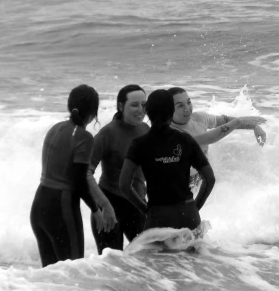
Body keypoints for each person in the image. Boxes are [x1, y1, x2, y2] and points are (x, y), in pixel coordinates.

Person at [119, 89, 215, 232]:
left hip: (159, 217)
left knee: (156, 255)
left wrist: (145, 209)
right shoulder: (185, 140)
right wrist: (195, 207)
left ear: (147, 112)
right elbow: (209, 179)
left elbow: (124, 185)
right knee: (191, 255)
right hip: (188, 214)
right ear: (171, 111)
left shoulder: (139, 144)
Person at [30, 85, 104, 267]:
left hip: (39, 206)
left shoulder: (55, 128)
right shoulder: (84, 137)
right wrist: (96, 211)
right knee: (72, 274)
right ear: (93, 112)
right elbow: (79, 182)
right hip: (61, 210)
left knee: (50, 276)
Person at [87, 84, 149, 253]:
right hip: (110, 206)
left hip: (138, 205)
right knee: (112, 268)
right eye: (134, 105)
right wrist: (103, 205)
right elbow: (86, 172)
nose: (140, 110)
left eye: (144, 104)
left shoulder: (145, 129)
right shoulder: (107, 134)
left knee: (150, 261)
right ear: (121, 106)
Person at [166, 86, 266, 188]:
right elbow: (209, 138)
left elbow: (225, 120)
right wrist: (239, 121)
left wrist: (254, 126)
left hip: (202, 179)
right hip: (177, 186)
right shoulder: (168, 133)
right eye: (180, 106)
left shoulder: (199, 118)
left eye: (188, 102)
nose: (187, 109)